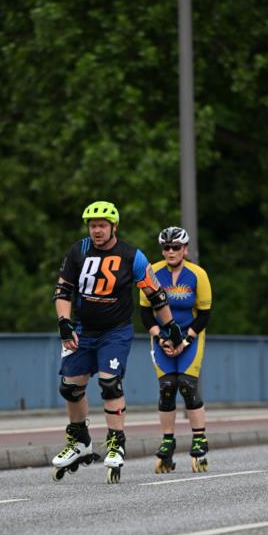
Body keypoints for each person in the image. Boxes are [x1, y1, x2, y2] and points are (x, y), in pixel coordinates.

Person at [51, 201, 188, 483]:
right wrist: (64, 324)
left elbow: (156, 295)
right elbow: (63, 290)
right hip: (83, 329)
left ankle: (116, 441)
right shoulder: (78, 251)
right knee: (69, 387)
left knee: (109, 382)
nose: (97, 230)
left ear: (114, 226)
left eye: (102, 225)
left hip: (115, 331)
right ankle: (79, 440)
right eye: (92, 225)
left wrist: (171, 326)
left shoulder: (131, 256)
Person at [139, 226, 213, 473]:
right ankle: (168, 442)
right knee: (167, 387)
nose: (170, 251)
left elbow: (204, 315)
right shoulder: (152, 272)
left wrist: (185, 341)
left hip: (190, 337)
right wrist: (160, 337)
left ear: (185, 249)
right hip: (163, 340)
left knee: (187, 385)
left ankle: (199, 439)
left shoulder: (197, 274)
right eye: (166, 247)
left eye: (175, 247)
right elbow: (144, 312)